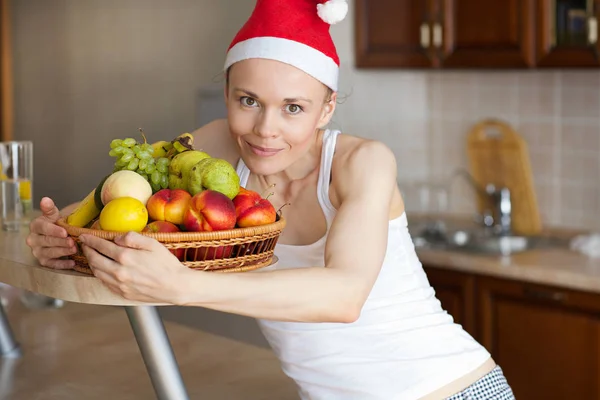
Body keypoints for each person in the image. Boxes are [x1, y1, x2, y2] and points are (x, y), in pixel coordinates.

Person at [26, 1, 516, 399]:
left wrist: (183, 286)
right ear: (227, 93)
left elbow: (343, 296)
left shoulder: (363, 163)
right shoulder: (216, 148)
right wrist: (62, 232)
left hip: (452, 389)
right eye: (248, 101)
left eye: (294, 108)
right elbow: (120, 191)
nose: (265, 130)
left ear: (326, 108)